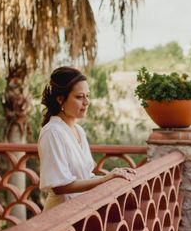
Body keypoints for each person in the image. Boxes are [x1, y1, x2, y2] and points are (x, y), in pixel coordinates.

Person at [38, 66, 135, 210]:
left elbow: (85, 178)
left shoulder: (78, 130)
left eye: (87, 96)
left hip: (80, 211)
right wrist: (104, 179)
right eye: (79, 97)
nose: (86, 102)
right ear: (60, 99)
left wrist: (114, 175)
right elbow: (59, 186)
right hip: (60, 214)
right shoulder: (52, 132)